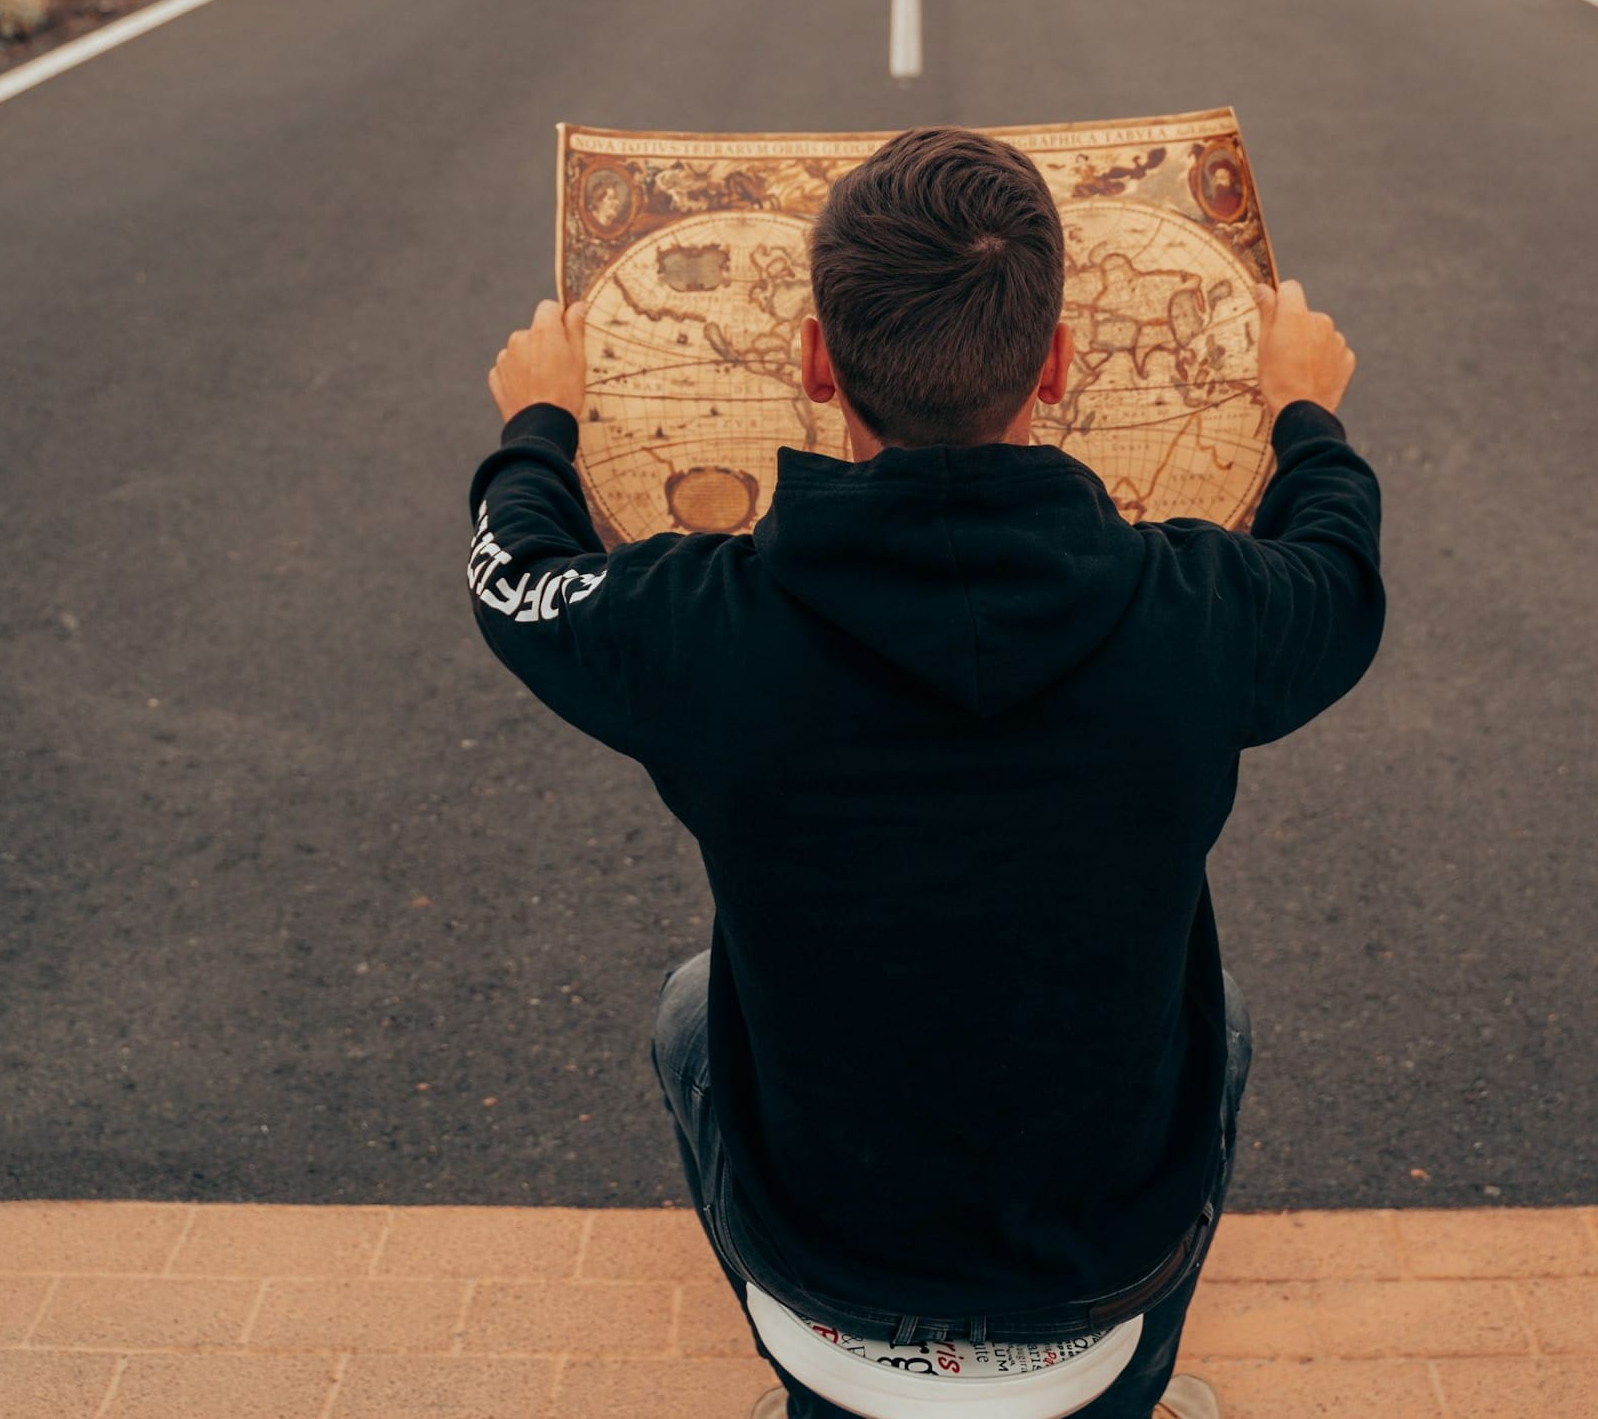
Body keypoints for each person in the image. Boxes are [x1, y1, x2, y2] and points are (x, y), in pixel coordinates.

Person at [467, 127, 1383, 1419]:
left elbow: (513, 580)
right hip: (1103, 1270)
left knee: (689, 1009)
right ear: (1058, 364)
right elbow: (1341, 574)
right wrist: (1307, 415)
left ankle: (817, 1378)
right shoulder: (1200, 614)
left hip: (825, 1264)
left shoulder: (695, 629)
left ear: (814, 363)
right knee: (1213, 1018)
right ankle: (1134, 1391)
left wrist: (537, 425)